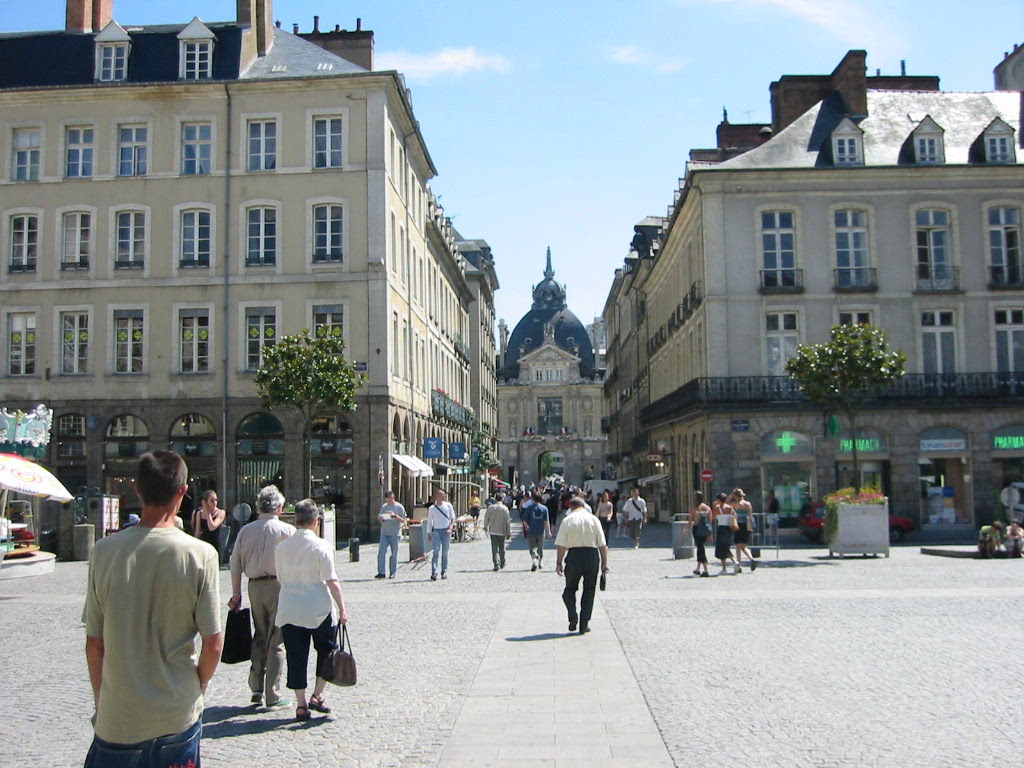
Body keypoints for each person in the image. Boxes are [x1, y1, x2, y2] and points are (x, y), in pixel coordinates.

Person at [83, 450, 221, 768]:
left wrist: (101, 700)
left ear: (138, 490)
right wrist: (195, 688)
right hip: (177, 713)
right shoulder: (201, 555)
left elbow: (95, 643)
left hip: (119, 718)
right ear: (183, 492)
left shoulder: (104, 552)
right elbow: (213, 643)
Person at [275, 499, 349, 722]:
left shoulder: (282, 547)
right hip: (318, 609)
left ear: (295, 519)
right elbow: (331, 580)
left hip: (289, 608)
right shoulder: (322, 546)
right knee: (326, 651)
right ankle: (317, 694)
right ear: (316, 521)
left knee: (296, 656)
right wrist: (343, 609)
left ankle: (300, 704)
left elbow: (280, 578)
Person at [228, 485, 296, 709]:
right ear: (279, 507)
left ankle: (256, 686)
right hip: (279, 585)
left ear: (258, 507)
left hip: (254, 586)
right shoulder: (286, 530)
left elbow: (235, 564)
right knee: (276, 639)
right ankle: (273, 693)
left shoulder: (246, 531)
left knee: (259, 634)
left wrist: (236, 593)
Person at [555, 497, 610, 635]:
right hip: (592, 555)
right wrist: (604, 563)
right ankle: (584, 624)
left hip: (574, 556)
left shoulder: (567, 520)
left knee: (569, 590)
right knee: (589, 590)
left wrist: (559, 562)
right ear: (584, 506)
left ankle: (573, 617)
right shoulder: (594, 519)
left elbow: (562, 545)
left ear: (571, 507)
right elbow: (603, 545)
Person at [376, 490, 407, 579]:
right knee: (381, 552)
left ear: (393, 497)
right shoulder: (384, 507)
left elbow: (404, 520)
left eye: (391, 498)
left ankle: (393, 572)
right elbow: (379, 516)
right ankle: (381, 572)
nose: (389, 500)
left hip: (395, 533)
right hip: (385, 532)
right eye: (388, 499)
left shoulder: (399, 507)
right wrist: (380, 518)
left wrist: (395, 516)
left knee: (394, 553)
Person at [427, 489, 455, 580]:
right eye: (442, 495)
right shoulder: (432, 508)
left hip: (446, 530)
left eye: (444, 495)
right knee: (436, 552)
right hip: (436, 531)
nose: (444, 497)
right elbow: (430, 521)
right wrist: (429, 533)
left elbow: (452, 518)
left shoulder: (448, 505)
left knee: (445, 553)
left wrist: (450, 528)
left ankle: (444, 571)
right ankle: (434, 572)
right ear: (437, 496)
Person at [192, 489, 226, 562]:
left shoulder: (221, 512)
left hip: (215, 543)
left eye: (216, 500)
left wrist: (208, 513)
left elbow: (212, 527)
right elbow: (198, 531)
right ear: (205, 502)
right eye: (212, 500)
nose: (215, 503)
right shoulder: (199, 514)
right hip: (203, 542)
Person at [730, 488, 757, 572]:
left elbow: (728, 502)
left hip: (739, 525)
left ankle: (739, 565)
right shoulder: (748, 504)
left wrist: (731, 495)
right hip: (747, 525)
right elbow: (750, 515)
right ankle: (751, 558)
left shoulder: (737, 504)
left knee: (738, 546)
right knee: (744, 546)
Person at [524, 493, 552, 571]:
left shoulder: (529, 508)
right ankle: (540, 562)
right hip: (541, 531)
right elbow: (546, 521)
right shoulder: (544, 508)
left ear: (533, 499)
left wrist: (526, 527)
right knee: (540, 547)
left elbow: (525, 520)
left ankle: (534, 560)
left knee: (532, 546)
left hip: (531, 530)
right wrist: (549, 531)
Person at [482, 497, 512, 570]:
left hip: (493, 530)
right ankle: (502, 562)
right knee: (502, 548)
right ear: (502, 500)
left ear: (495, 500)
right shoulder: (505, 509)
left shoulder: (491, 508)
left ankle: (496, 563)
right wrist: (508, 532)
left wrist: (485, 526)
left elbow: (486, 518)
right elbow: (508, 521)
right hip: (502, 531)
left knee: (494, 548)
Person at [714, 492, 739, 574]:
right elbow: (735, 516)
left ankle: (728, 565)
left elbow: (713, 516)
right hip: (729, 528)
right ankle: (733, 562)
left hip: (721, 528)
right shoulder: (730, 508)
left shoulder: (717, 508)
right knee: (726, 546)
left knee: (722, 548)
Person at [689, 492, 712, 577]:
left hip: (696, 529)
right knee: (700, 547)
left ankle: (705, 570)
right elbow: (710, 521)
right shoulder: (707, 508)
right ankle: (698, 568)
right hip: (705, 529)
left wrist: (686, 529)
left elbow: (690, 520)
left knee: (700, 548)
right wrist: (710, 533)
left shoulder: (694, 508)